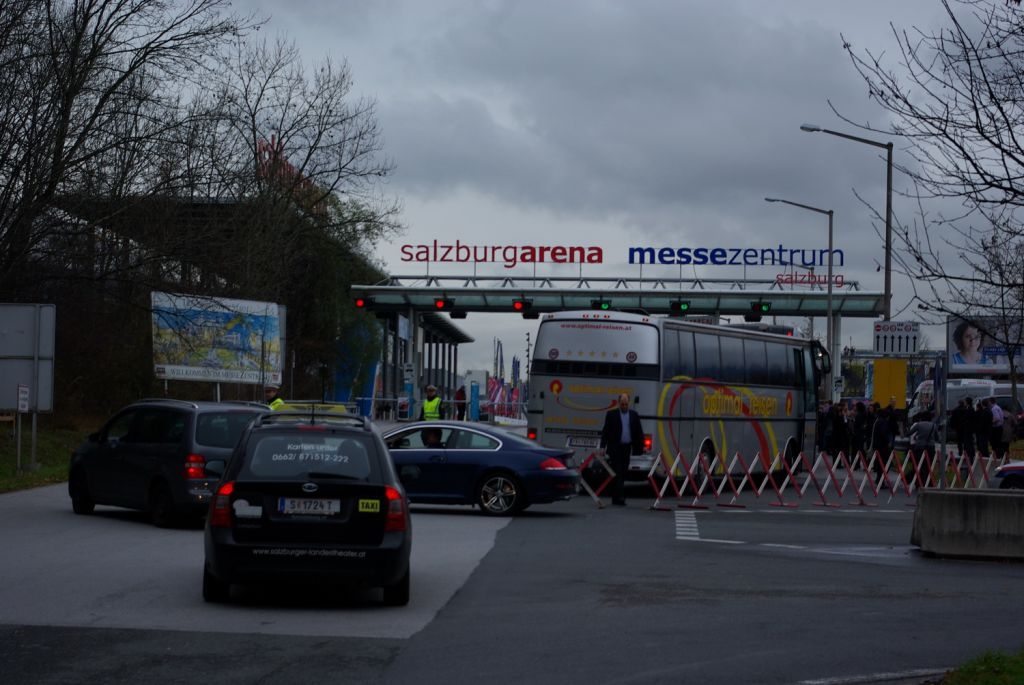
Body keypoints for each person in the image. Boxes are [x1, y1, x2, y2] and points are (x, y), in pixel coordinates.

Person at [599, 393, 645, 506]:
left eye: (626, 404)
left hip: (626, 447)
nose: (624, 406)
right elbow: (605, 431)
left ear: (629, 403)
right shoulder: (611, 414)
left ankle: (615, 497)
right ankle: (620, 497)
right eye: (622, 404)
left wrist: (642, 446)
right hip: (615, 447)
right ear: (618, 403)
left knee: (623, 472)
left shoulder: (634, 415)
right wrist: (602, 446)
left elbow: (639, 432)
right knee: (618, 472)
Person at [908, 410, 938, 484]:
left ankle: (919, 481)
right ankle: (928, 482)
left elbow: (909, 433)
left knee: (919, 464)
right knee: (929, 465)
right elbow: (937, 437)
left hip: (920, 447)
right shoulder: (933, 425)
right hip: (930, 447)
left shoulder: (918, 424)